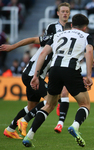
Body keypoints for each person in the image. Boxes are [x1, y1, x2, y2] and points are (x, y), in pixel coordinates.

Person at [23, 13, 94, 148]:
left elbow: (43, 53)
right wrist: (89, 75)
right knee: (85, 104)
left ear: (72, 25)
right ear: (85, 27)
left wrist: (36, 75)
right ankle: (75, 126)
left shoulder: (58, 35)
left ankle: (30, 134)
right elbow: (89, 52)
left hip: (54, 70)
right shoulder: (86, 36)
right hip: (71, 70)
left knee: (49, 105)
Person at [2, 2, 71, 139]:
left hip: (35, 74)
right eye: (62, 11)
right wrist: (12, 47)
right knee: (49, 102)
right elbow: (34, 39)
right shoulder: (55, 30)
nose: (65, 13)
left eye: (67, 12)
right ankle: (25, 121)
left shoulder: (66, 35)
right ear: (57, 13)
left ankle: (10, 129)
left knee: (31, 107)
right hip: (33, 74)